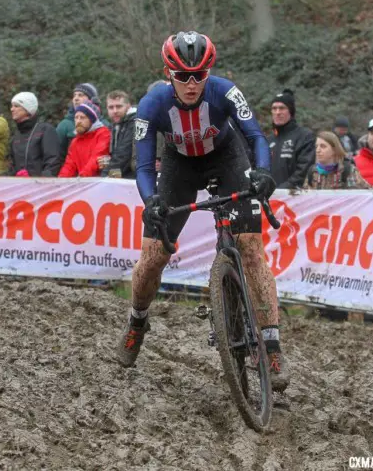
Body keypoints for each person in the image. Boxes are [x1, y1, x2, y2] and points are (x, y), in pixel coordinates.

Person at [117, 31, 288, 392]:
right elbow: (145, 166)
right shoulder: (152, 105)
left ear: (209, 72)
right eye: (183, 76)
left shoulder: (225, 91)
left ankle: (271, 346)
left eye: (199, 75)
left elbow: (256, 136)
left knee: (251, 248)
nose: (192, 84)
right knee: (152, 256)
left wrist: (261, 172)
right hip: (180, 166)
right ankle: (137, 321)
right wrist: (152, 203)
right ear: (169, 74)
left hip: (226, 158)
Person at [303, 131, 368, 189]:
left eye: (323, 146)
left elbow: (360, 197)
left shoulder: (348, 170)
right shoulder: (312, 171)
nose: (318, 150)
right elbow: (307, 199)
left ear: (334, 150)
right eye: (316, 146)